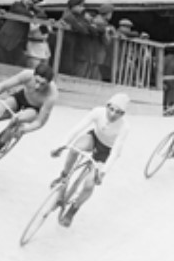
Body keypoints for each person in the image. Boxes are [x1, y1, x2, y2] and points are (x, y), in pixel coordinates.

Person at [50, 93, 131, 227]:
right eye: (111, 109)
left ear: (123, 114)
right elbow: (77, 128)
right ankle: (63, 176)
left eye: (118, 112)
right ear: (107, 106)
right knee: (75, 149)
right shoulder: (97, 112)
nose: (113, 114)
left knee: (89, 185)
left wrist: (103, 172)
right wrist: (61, 145)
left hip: (106, 152)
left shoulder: (125, 127)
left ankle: (73, 210)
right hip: (94, 139)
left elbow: (115, 152)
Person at [0, 63, 59, 156]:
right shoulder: (27, 75)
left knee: (16, 119)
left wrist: (26, 129)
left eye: (42, 84)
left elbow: (40, 122)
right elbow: (4, 85)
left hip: (34, 108)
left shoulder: (52, 95)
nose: (37, 86)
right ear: (33, 75)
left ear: (49, 83)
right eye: (36, 81)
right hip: (21, 97)